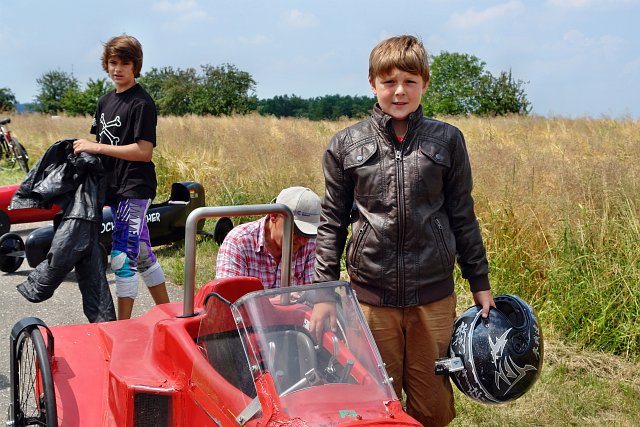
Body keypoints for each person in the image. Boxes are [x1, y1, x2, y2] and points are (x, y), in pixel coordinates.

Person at [313, 35, 495, 426]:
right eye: (389, 81)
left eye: (410, 81)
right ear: (372, 84)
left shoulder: (448, 140)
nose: (399, 91)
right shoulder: (345, 145)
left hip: (433, 297)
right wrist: (323, 293)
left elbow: (462, 215)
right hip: (370, 299)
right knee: (376, 400)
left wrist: (479, 282)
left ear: (424, 84)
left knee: (432, 403)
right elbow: (331, 222)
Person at [73, 34, 169, 320]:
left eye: (125, 63)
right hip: (114, 188)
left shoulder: (141, 103)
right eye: (113, 62)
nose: (118, 69)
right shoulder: (104, 102)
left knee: (122, 255)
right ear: (106, 64)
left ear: (135, 66)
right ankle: (170, 315)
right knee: (142, 252)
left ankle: (121, 327)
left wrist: (97, 147)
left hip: (135, 187)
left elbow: (144, 152)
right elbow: (102, 145)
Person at [215, 186, 321, 289]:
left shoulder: (312, 244)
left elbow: (316, 295)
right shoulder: (238, 242)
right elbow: (229, 296)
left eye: (308, 234)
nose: (303, 241)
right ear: (273, 215)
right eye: (296, 232)